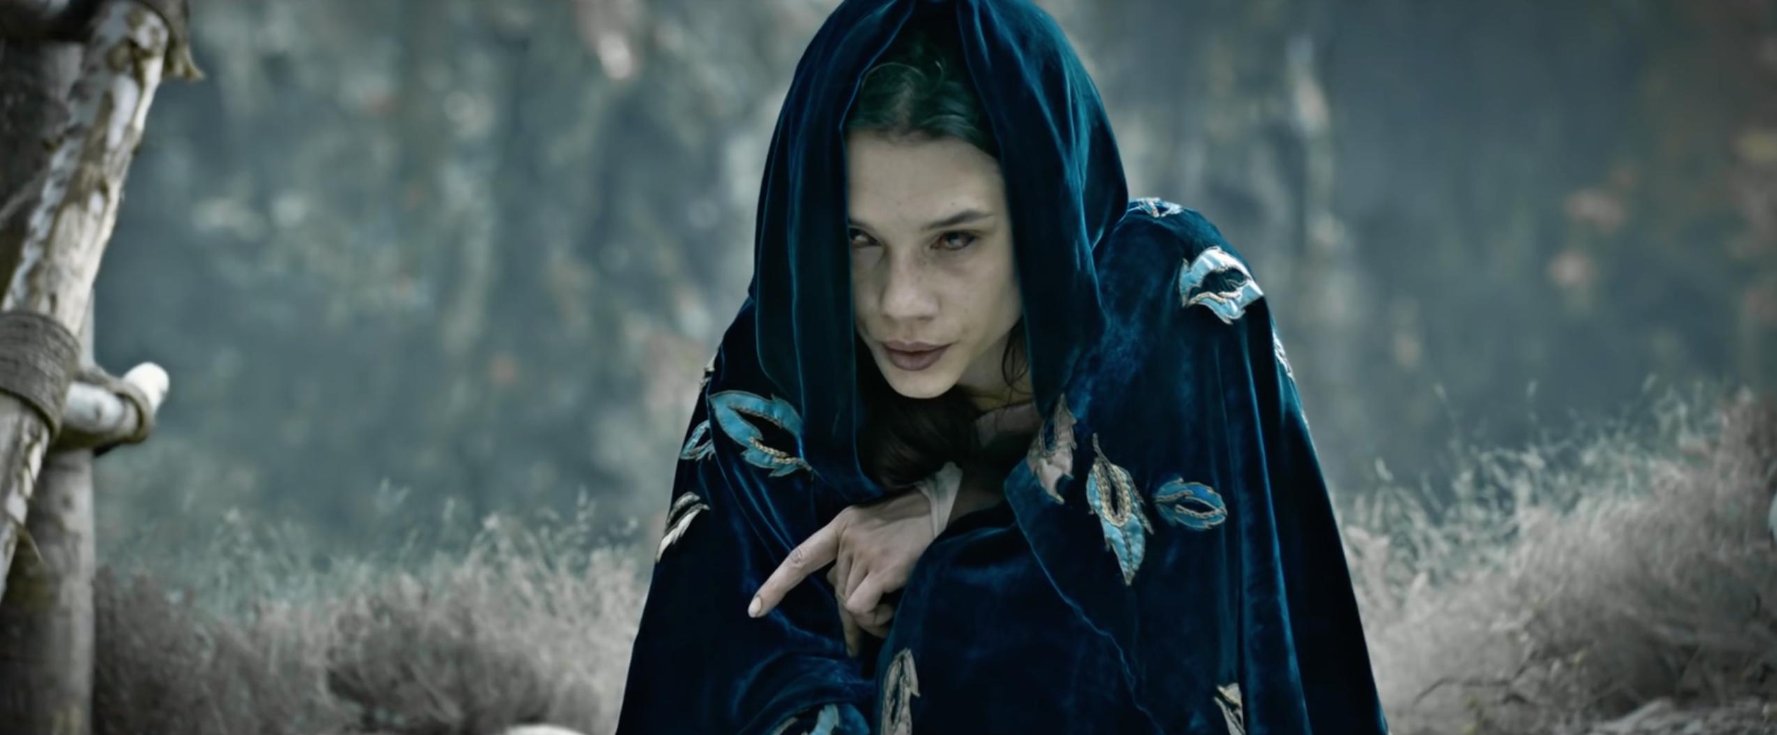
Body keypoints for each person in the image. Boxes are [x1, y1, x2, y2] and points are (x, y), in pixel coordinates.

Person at [615, 1, 1389, 733]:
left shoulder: (1167, 298)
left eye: (955, 239)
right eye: (857, 240)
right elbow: (723, 665)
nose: (899, 301)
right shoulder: (787, 348)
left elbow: (1210, 627)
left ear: (1043, 215)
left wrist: (955, 511)